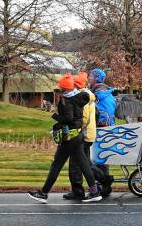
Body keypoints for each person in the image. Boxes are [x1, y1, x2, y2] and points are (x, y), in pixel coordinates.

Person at [28, 74, 101, 203]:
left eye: (60, 87)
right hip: (78, 135)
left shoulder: (66, 101)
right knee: (84, 165)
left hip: (69, 137)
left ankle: (43, 193)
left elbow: (68, 118)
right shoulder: (79, 97)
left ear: (64, 88)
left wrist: (54, 115)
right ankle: (94, 192)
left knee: (56, 164)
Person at [64, 72, 99, 200]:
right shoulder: (89, 95)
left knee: (76, 164)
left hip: (82, 134)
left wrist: (74, 128)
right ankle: (99, 183)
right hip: (89, 134)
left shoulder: (82, 97)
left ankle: (79, 190)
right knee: (84, 163)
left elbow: (83, 118)